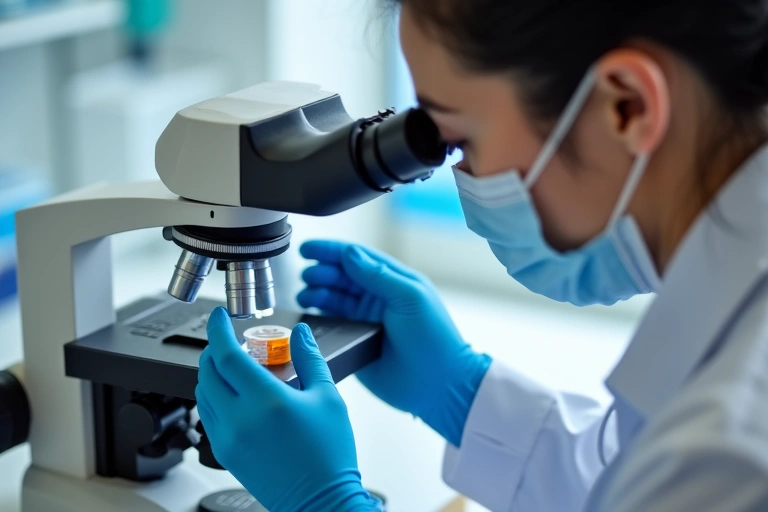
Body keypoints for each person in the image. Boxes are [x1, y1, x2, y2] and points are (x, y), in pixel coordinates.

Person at [194, 0, 768, 510]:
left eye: (460, 138)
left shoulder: (730, 452)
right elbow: (626, 484)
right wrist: (461, 393)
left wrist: (325, 503)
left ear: (627, 106)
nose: (460, 171)